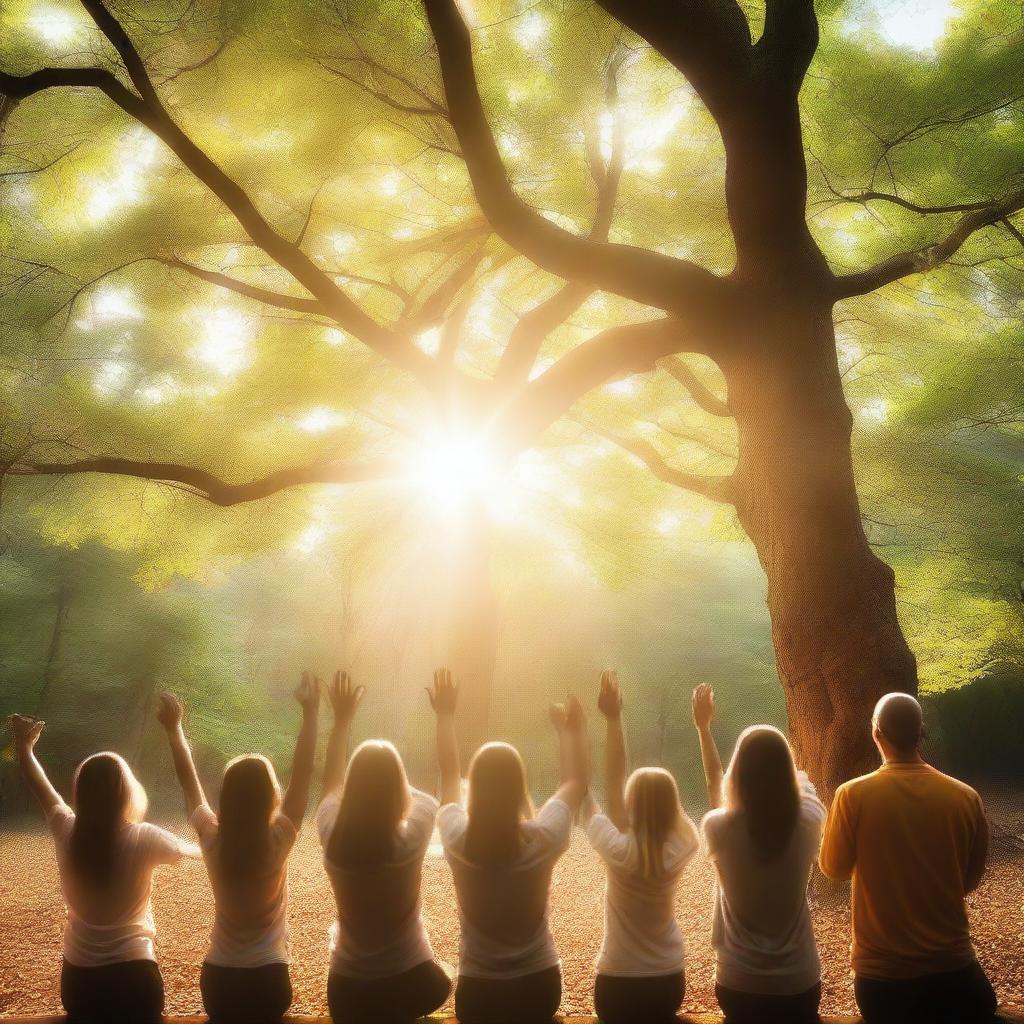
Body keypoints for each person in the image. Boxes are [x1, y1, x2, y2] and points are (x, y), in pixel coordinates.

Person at [819, 692, 996, 1024]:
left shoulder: (851, 796)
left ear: (876, 734)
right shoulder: (964, 797)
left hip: (881, 981)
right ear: (920, 733)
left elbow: (834, 869)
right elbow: (968, 881)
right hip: (953, 971)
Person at [8, 712, 195, 1024]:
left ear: (82, 791)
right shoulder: (145, 837)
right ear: (126, 792)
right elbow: (196, 850)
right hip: (136, 982)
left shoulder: (65, 828)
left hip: (80, 985)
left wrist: (24, 747)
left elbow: (41, 788)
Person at [156, 673, 320, 1024]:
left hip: (219, 982)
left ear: (227, 797)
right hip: (269, 980)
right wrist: (311, 713)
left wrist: (174, 730)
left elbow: (189, 782)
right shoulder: (278, 839)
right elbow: (304, 774)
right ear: (270, 796)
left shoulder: (212, 837)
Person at [429, 667, 588, 1024]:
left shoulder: (457, 838)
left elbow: (450, 775)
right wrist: (570, 732)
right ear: (520, 787)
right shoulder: (542, 838)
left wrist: (444, 715)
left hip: (479, 993)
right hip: (539, 989)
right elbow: (576, 782)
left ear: (477, 788)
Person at [317, 671, 452, 1024]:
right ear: (399, 785)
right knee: (448, 975)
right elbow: (441, 790)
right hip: (411, 983)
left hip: (346, 991)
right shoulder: (411, 838)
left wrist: (342, 721)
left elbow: (330, 785)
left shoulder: (332, 834)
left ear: (352, 786)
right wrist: (444, 716)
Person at [692, 684, 825, 1024]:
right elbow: (800, 785)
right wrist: (782, 762)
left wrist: (703, 728)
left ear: (738, 773)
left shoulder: (718, 827)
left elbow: (715, 786)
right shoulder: (810, 820)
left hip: (739, 988)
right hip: (800, 986)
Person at [580, 670, 698, 1024]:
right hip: (667, 984)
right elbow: (660, 810)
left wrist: (606, 723)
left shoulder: (617, 848)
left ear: (631, 806)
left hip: (615, 988)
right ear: (672, 806)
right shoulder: (683, 845)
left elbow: (603, 791)